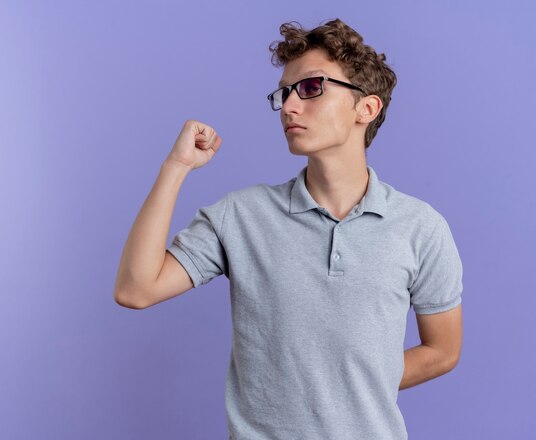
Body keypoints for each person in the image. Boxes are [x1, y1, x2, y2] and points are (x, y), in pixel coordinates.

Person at [114, 18, 463, 440]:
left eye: (312, 87)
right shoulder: (240, 216)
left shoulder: (421, 228)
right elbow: (136, 290)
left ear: (366, 108)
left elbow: (442, 351)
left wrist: (351, 386)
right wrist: (177, 167)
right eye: (285, 92)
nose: (290, 106)